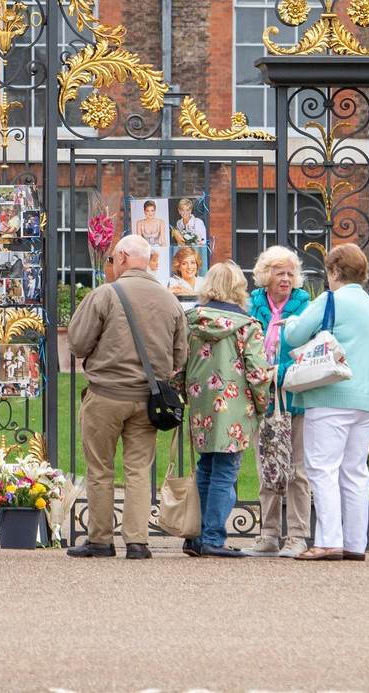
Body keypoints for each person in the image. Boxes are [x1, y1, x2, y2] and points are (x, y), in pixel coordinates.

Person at [65, 234, 188, 559]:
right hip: (147, 399)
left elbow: (77, 344)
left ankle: (100, 540)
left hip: (105, 394)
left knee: (101, 469)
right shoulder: (169, 300)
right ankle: (137, 541)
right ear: (147, 260)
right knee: (137, 470)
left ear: (120, 257)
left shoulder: (104, 295)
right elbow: (180, 357)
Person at [279, 242, 369, 562]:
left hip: (330, 394)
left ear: (335, 271)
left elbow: (295, 336)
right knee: (354, 471)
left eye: (329, 271)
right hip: (367, 396)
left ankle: (328, 541)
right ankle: (355, 544)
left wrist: (289, 324)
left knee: (322, 468)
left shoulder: (329, 299)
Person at [182, 261, 273, 558]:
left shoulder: (191, 321)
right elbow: (258, 374)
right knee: (225, 472)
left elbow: (178, 365)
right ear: (237, 288)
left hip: (200, 405)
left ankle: (198, 536)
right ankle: (213, 537)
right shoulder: (247, 327)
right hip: (233, 407)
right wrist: (262, 406)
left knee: (206, 467)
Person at [244, 245, 313, 558]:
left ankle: (297, 535)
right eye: (278, 272)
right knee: (267, 467)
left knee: (297, 469)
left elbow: (313, 352)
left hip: (294, 396)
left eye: (290, 273)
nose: (285, 278)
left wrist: (280, 371)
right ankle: (269, 534)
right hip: (262, 397)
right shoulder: (251, 305)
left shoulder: (304, 305)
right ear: (265, 274)